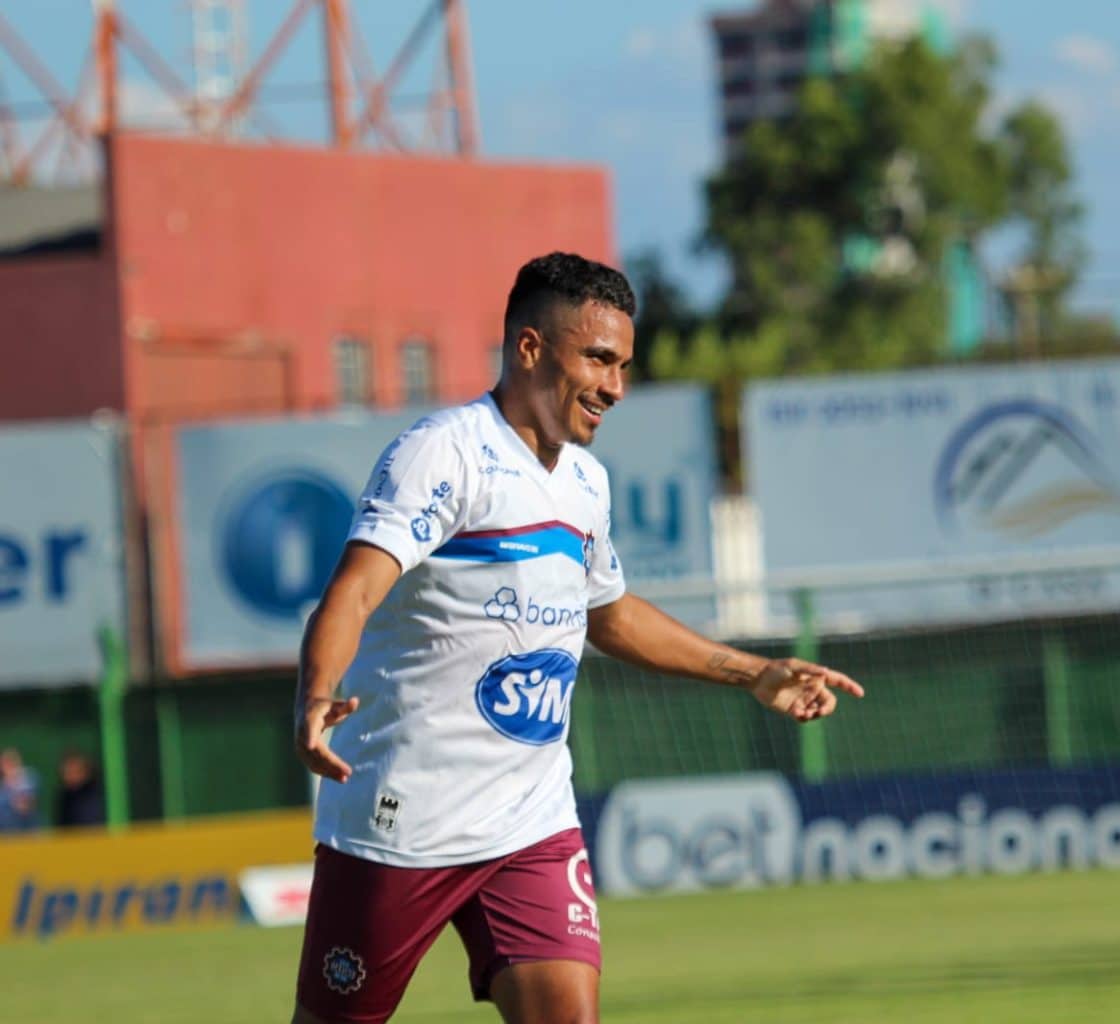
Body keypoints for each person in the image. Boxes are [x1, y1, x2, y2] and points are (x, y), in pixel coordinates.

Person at [290, 252, 864, 1024]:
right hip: (403, 819)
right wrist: (318, 694)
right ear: (530, 348)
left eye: (623, 365)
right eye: (598, 358)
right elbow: (354, 589)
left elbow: (613, 616)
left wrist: (752, 673)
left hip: (531, 820)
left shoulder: (585, 485)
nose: (615, 387)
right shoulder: (445, 452)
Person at [55, 749, 105, 828]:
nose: (70, 776)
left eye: (75, 771)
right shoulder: (64, 797)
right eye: (67, 772)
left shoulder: (98, 795)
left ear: (87, 771)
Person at [0, 747, 40, 833]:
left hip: (27, 834)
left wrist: (14, 784)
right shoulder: (2, 787)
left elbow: (24, 806)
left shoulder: (28, 777)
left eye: (11, 762)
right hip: (6, 836)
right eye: (4, 763)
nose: (8, 767)